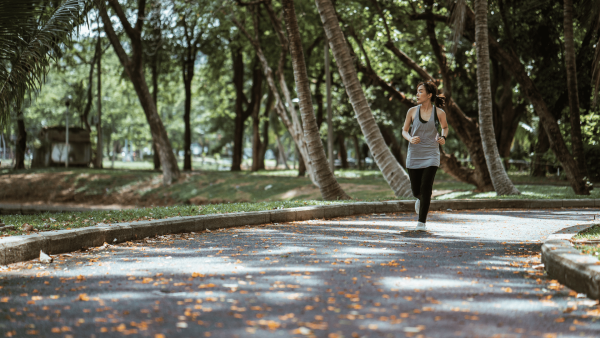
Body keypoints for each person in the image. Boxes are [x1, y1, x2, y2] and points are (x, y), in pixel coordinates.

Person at [402, 81, 449, 231]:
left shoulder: (439, 113)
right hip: (414, 154)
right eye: (417, 91)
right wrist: (410, 138)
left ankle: (421, 223)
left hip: (431, 155)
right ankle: (421, 200)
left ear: (429, 95)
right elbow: (404, 130)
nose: (417, 94)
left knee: (426, 187)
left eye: (420, 91)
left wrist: (443, 137)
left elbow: (445, 127)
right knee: (416, 191)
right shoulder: (412, 111)